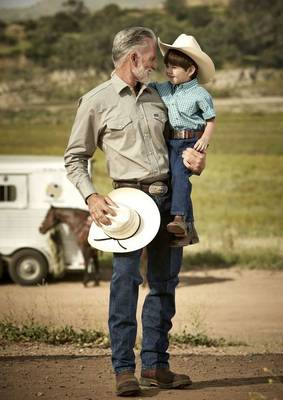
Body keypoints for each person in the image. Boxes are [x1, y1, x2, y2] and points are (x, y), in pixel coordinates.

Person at [64, 27, 206, 397]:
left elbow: (181, 146)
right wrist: (92, 198)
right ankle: (124, 370)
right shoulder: (95, 101)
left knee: (165, 285)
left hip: (170, 201)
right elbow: (75, 158)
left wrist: (197, 161)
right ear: (134, 59)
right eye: (152, 60)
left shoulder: (162, 98)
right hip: (127, 205)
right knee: (124, 285)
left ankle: (157, 366)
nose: (157, 66)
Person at [150, 34, 216, 237]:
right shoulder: (165, 88)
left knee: (180, 176)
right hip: (170, 140)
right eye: (167, 66)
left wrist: (205, 139)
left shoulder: (200, 94)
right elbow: (148, 87)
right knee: (168, 177)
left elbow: (211, 120)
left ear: (191, 70)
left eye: (175, 67)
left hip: (189, 142)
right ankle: (176, 220)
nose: (169, 71)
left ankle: (179, 217)